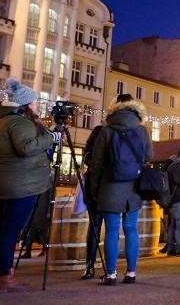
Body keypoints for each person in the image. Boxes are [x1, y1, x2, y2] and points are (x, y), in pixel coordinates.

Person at [0, 78, 59, 292]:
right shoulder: (20, 122)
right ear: (25, 104)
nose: (36, 106)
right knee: (9, 231)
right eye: (34, 103)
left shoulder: (4, 122)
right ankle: (6, 277)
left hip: (6, 183)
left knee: (0, 230)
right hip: (21, 186)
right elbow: (26, 147)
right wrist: (52, 137)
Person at [88, 93, 153, 285]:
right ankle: (131, 273)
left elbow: (96, 163)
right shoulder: (142, 130)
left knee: (111, 230)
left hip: (110, 187)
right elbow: (148, 155)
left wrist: (93, 190)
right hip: (134, 187)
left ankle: (110, 275)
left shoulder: (106, 131)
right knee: (131, 229)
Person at [80, 119, 105, 279]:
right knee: (96, 225)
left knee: (105, 225)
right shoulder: (99, 131)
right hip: (98, 182)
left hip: (106, 183)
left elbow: (87, 156)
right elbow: (87, 156)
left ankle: (107, 267)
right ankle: (90, 263)